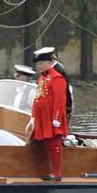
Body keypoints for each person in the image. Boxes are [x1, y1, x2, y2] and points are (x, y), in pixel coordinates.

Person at [27, 50, 68, 181]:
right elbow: (37, 98)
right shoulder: (42, 78)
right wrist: (33, 116)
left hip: (51, 117)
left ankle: (57, 173)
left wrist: (56, 118)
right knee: (46, 144)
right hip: (41, 116)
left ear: (50, 63)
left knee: (54, 144)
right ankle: (52, 171)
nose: (38, 66)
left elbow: (59, 100)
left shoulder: (57, 78)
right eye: (37, 63)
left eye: (41, 63)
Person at [32, 47, 74, 119]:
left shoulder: (57, 71)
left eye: (41, 62)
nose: (38, 66)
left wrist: (68, 109)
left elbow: (63, 92)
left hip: (54, 110)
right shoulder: (47, 71)